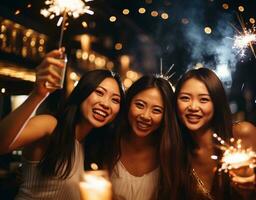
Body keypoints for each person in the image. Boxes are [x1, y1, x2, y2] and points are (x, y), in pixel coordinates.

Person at [0, 49, 125, 200]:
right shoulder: (51, 125)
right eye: (99, 92)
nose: (106, 104)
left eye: (115, 100)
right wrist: (37, 95)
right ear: (83, 92)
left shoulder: (91, 146)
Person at [174, 67, 256, 200]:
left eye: (204, 99)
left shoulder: (242, 133)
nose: (193, 107)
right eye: (185, 98)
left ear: (216, 103)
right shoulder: (175, 150)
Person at [103, 75, 185, 200]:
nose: (146, 116)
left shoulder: (172, 155)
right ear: (129, 103)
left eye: (156, 110)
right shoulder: (105, 142)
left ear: (165, 116)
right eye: (140, 105)